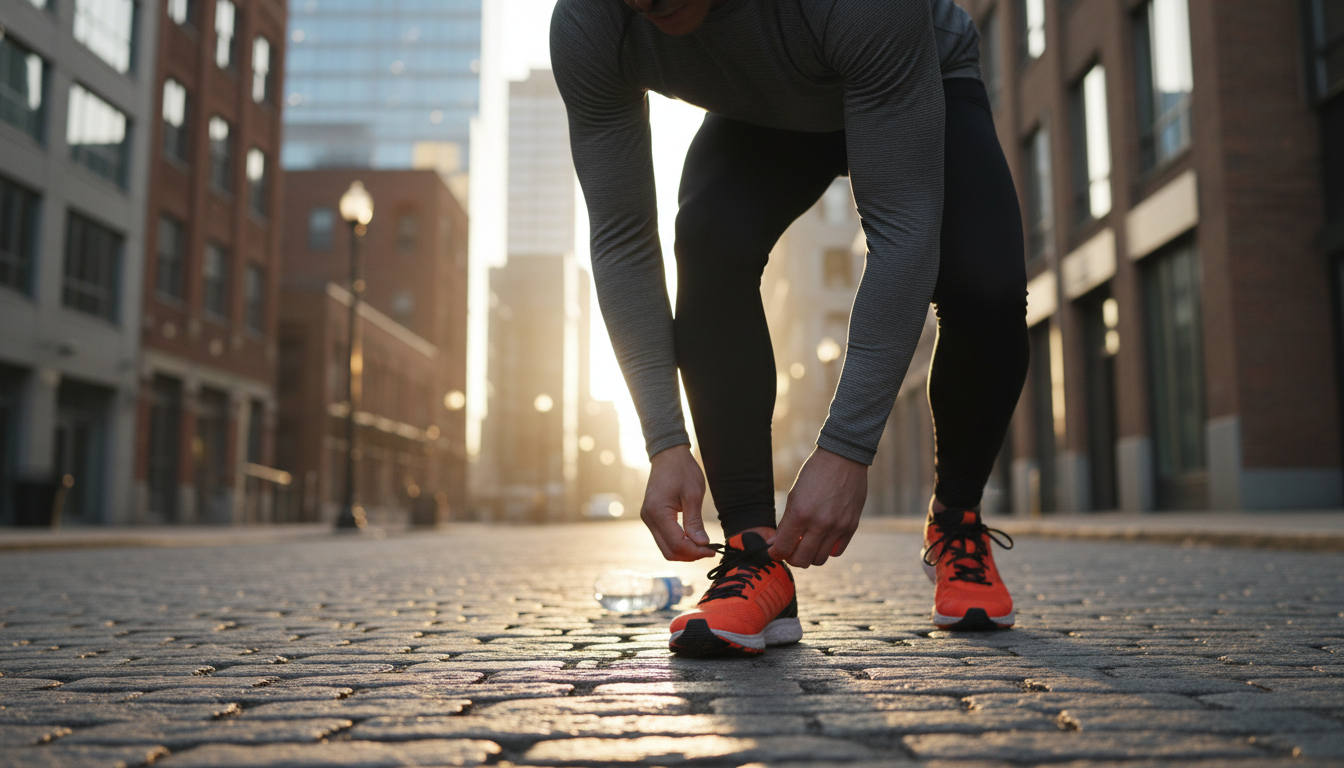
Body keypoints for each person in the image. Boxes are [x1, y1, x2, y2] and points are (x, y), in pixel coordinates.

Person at [551, 0, 1028, 656]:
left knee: (985, 285)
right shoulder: (589, 25)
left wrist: (846, 449)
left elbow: (903, 228)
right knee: (709, 236)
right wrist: (664, 442)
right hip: (766, 107)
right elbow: (622, 237)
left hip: (916, 71)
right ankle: (753, 556)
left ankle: (957, 522)